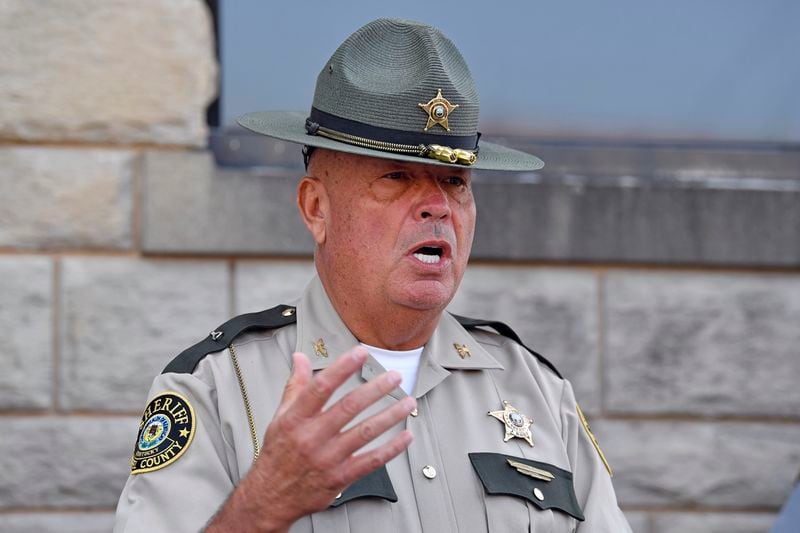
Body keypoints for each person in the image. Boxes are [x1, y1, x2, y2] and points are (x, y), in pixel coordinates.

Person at [114, 18, 632, 532]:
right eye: (397, 177)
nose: (437, 206)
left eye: (455, 181)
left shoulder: (536, 389)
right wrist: (262, 505)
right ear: (317, 208)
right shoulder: (220, 389)